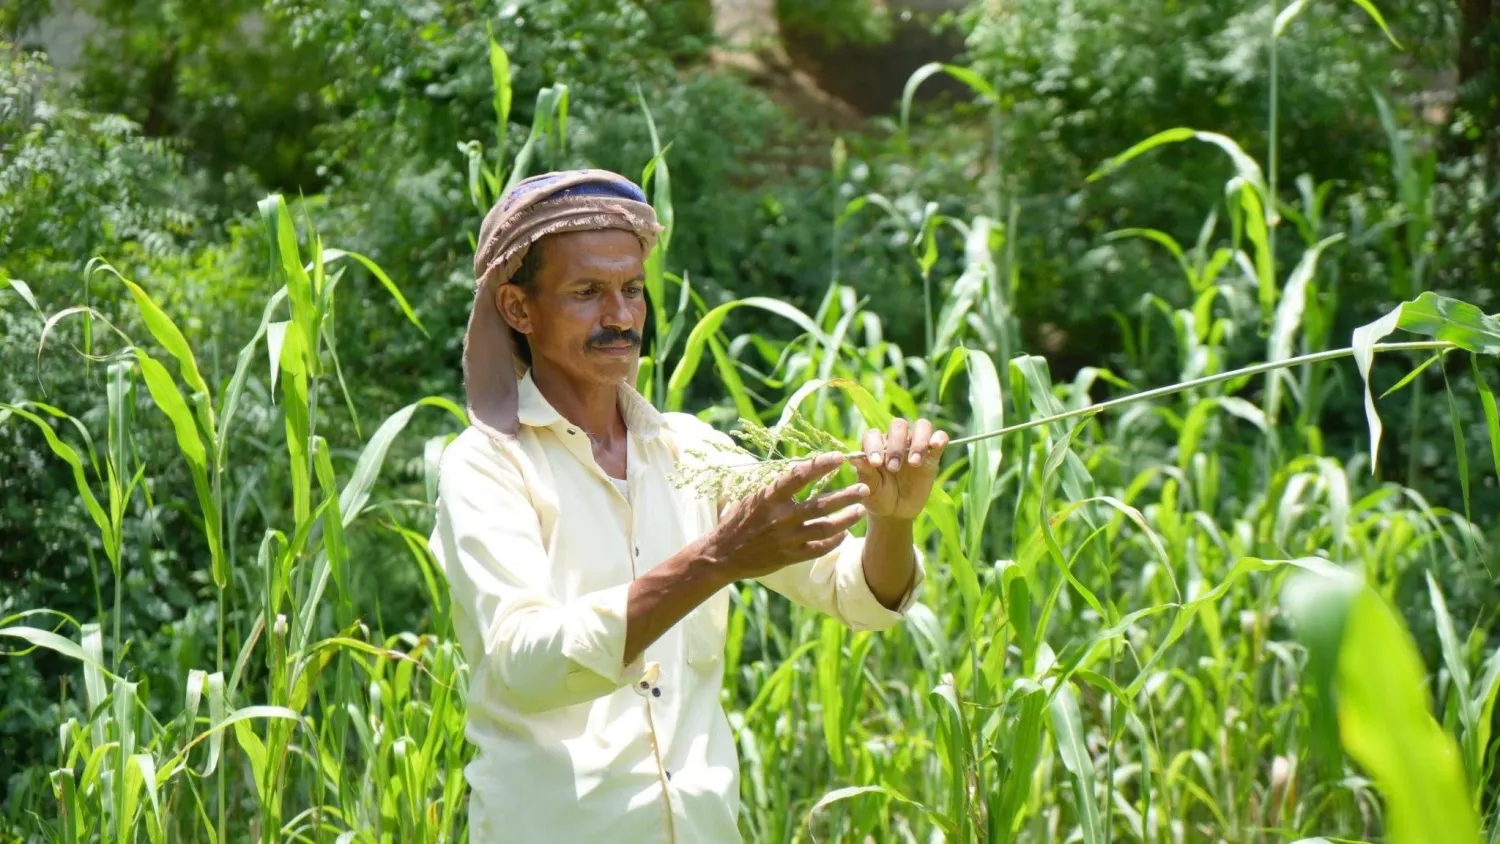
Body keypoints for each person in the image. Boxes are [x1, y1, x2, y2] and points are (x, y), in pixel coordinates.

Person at [429, 169, 949, 843]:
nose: (620, 316)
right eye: (587, 293)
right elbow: (525, 665)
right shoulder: (488, 465)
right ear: (519, 309)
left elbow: (853, 595)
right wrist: (714, 561)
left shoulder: (687, 451)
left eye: (632, 290)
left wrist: (894, 520)